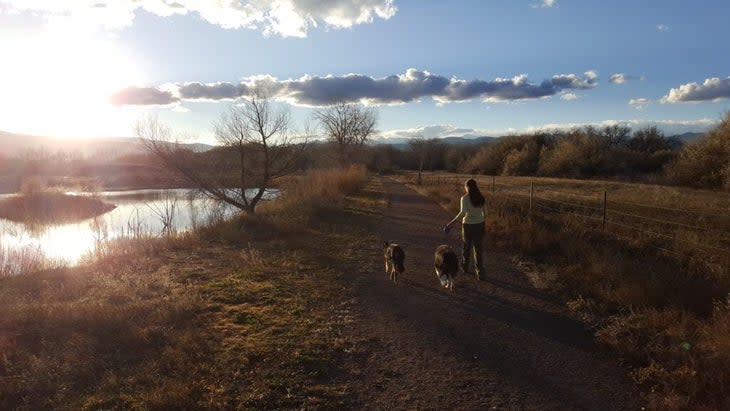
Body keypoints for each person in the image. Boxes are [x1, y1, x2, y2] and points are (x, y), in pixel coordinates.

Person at [444, 178, 486, 280]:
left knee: (466, 247)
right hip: (480, 225)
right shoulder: (481, 197)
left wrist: (450, 224)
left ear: (467, 187)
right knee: (478, 249)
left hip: (468, 225)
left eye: (465, 186)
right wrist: (480, 220)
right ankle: (479, 271)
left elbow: (462, 213)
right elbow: (486, 213)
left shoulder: (465, 198)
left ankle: (464, 267)